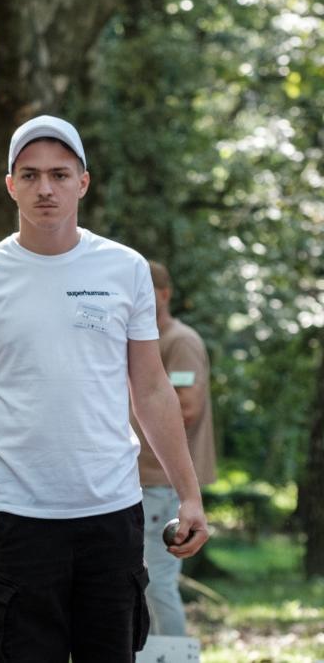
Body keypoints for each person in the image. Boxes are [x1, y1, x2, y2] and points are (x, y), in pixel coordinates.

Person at [0, 115, 210, 662]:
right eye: (30, 176)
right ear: (10, 185)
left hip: (111, 510)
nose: (45, 189)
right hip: (15, 514)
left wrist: (189, 492)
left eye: (59, 174)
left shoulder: (124, 269)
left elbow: (151, 388)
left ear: (83, 181)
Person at [130, 260, 217, 636]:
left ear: (164, 294)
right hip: (139, 480)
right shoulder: (142, 340)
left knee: (158, 581)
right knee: (143, 581)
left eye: (145, 289)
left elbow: (187, 408)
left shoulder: (179, 341)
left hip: (161, 482)